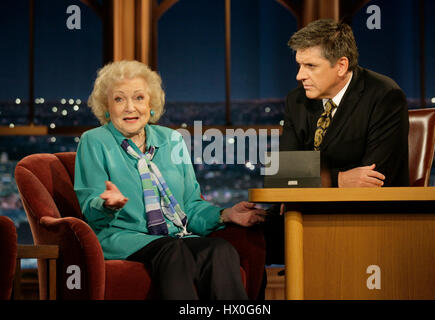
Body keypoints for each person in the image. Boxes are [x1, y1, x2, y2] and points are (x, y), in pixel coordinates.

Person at [74, 60, 266, 300]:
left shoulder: (171, 140)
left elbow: (190, 206)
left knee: (220, 249)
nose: (130, 107)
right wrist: (106, 204)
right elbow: (90, 207)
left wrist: (225, 215)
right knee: (174, 251)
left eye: (139, 98)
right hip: (122, 237)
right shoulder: (94, 142)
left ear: (152, 105)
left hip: (175, 237)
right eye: (119, 99)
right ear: (106, 107)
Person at [264, 19, 410, 265]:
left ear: (341, 65)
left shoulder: (384, 96)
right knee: (243, 239)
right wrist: (338, 180)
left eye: (310, 66)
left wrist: (305, 182)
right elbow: (281, 174)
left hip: (368, 217)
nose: (300, 76)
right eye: (299, 65)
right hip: (303, 214)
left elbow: (372, 179)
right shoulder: (296, 100)